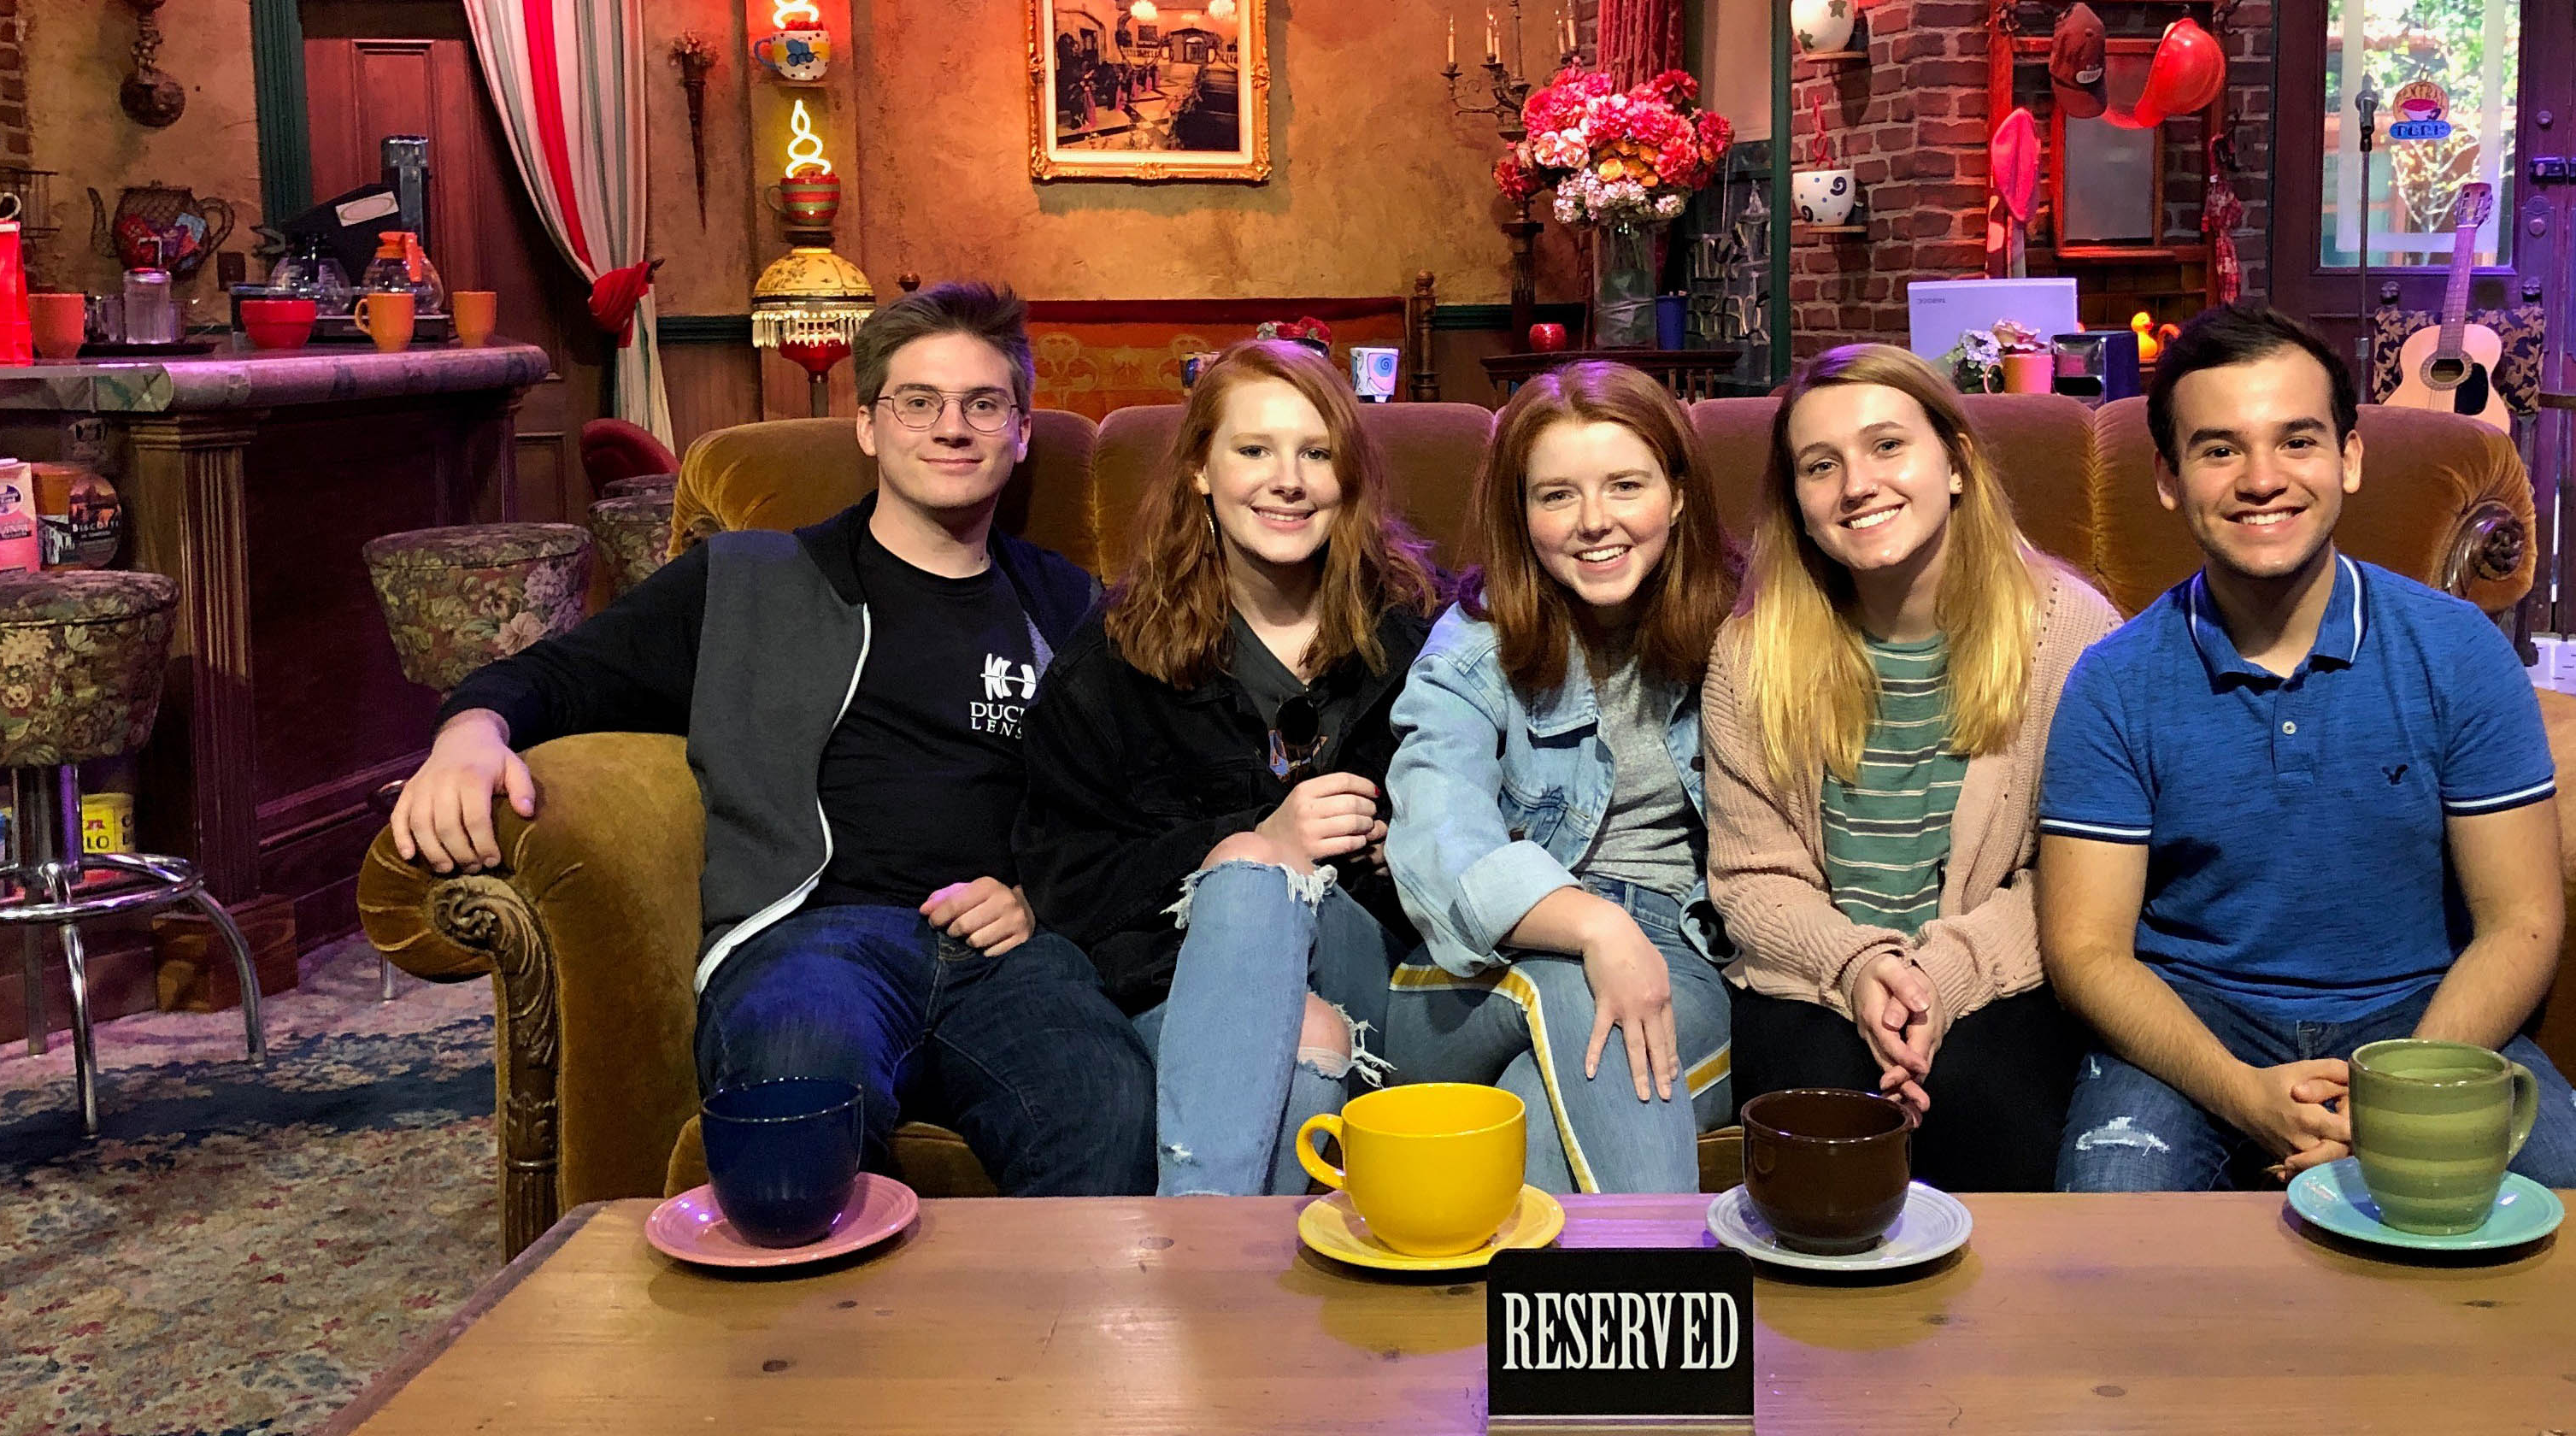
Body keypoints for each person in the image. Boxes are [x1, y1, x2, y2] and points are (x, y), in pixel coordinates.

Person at [394, 280, 1155, 1195]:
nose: (951, 427)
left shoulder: (1068, 607)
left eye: (983, 404)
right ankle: (827, 1345)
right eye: (918, 402)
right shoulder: (751, 580)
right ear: (870, 426)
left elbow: (1136, 799)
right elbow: (560, 675)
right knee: (798, 1087)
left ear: (1021, 433)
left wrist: (1039, 896)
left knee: (1108, 1108)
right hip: (812, 938)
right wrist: (470, 732)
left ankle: (1032, 1342)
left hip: (1010, 953)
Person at [2034, 305, 2576, 1195]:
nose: (2261, 480)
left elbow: (2522, 921)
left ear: (2349, 458)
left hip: (2422, 1014)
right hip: (2194, 1025)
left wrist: (2400, 1092)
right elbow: (2087, 951)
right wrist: (2247, 1096)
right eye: (2218, 450)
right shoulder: (2115, 681)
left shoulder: (2458, 651)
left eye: (2297, 442)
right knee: (2108, 1229)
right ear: (2168, 479)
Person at [1018, 338, 1447, 1197]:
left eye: (1315, 453)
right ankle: (1263, 1305)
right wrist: (1256, 836)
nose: (1286, 480)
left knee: (1279, 923)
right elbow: (1062, 884)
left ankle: (1197, 1264)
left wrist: (1398, 849)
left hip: (1387, 975)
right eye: (1253, 450)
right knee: (1299, 1014)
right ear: (1200, 472)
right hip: (1179, 983)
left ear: (1347, 478)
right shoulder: (1113, 656)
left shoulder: (1419, 637)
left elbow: (1484, 833)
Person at [1705, 343, 2119, 1193]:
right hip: (1813, 973)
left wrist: (1941, 976)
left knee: (1982, 1108)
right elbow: (1752, 879)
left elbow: (2074, 877)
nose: (1857, 483)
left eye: (1887, 445)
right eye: (1821, 466)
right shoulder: (1753, 654)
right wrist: (1860, 970)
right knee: (1820, 1135)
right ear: (1798, 503)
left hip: (2002, 969)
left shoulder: (2069, 635)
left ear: (1957, 462)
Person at [1383, 362, 1743, 1194]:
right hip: (1477, 977)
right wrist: (1596, 928)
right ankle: (1668, 1311)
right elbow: (1441, 841)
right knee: (1575, 990)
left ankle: (1510, 1325)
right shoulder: (1474, 647)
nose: (1594, 522)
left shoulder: (1745, 628)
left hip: (1680, 959)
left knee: (1537, 1106)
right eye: (1556, 496)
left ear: (1678, 494)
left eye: (1625, 485)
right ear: (1520, 513)